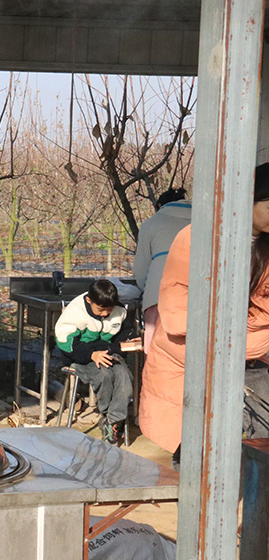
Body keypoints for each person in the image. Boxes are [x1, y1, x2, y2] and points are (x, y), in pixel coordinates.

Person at [141, 164, 269, 465]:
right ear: (248, 199)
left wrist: (237, 323)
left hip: (247, 362)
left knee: (257, 452)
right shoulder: (199, 237)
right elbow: (180, 312)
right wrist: (247, 326)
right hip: (195, 359)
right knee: (196, 448)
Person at [54, 279, 134, 445]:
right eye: (101, 310)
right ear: (89, 300)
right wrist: (91, 354)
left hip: (109, 354)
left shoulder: (119, 310)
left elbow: (125, 333)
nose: (105, 314)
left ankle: (111, 421)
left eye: (109, 310)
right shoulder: (75, 312)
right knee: (104, 375)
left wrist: (128, 342)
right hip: (80, 358)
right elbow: (65, 343)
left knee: (124, 377)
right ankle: (109, 418)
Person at [133, 188, 191, 351]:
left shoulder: (151, 224)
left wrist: (145, 289)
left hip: (159, 292)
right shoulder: (205, 220)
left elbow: (141, 270)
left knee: (157, 352)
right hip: (198, 292)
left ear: (159, 205)